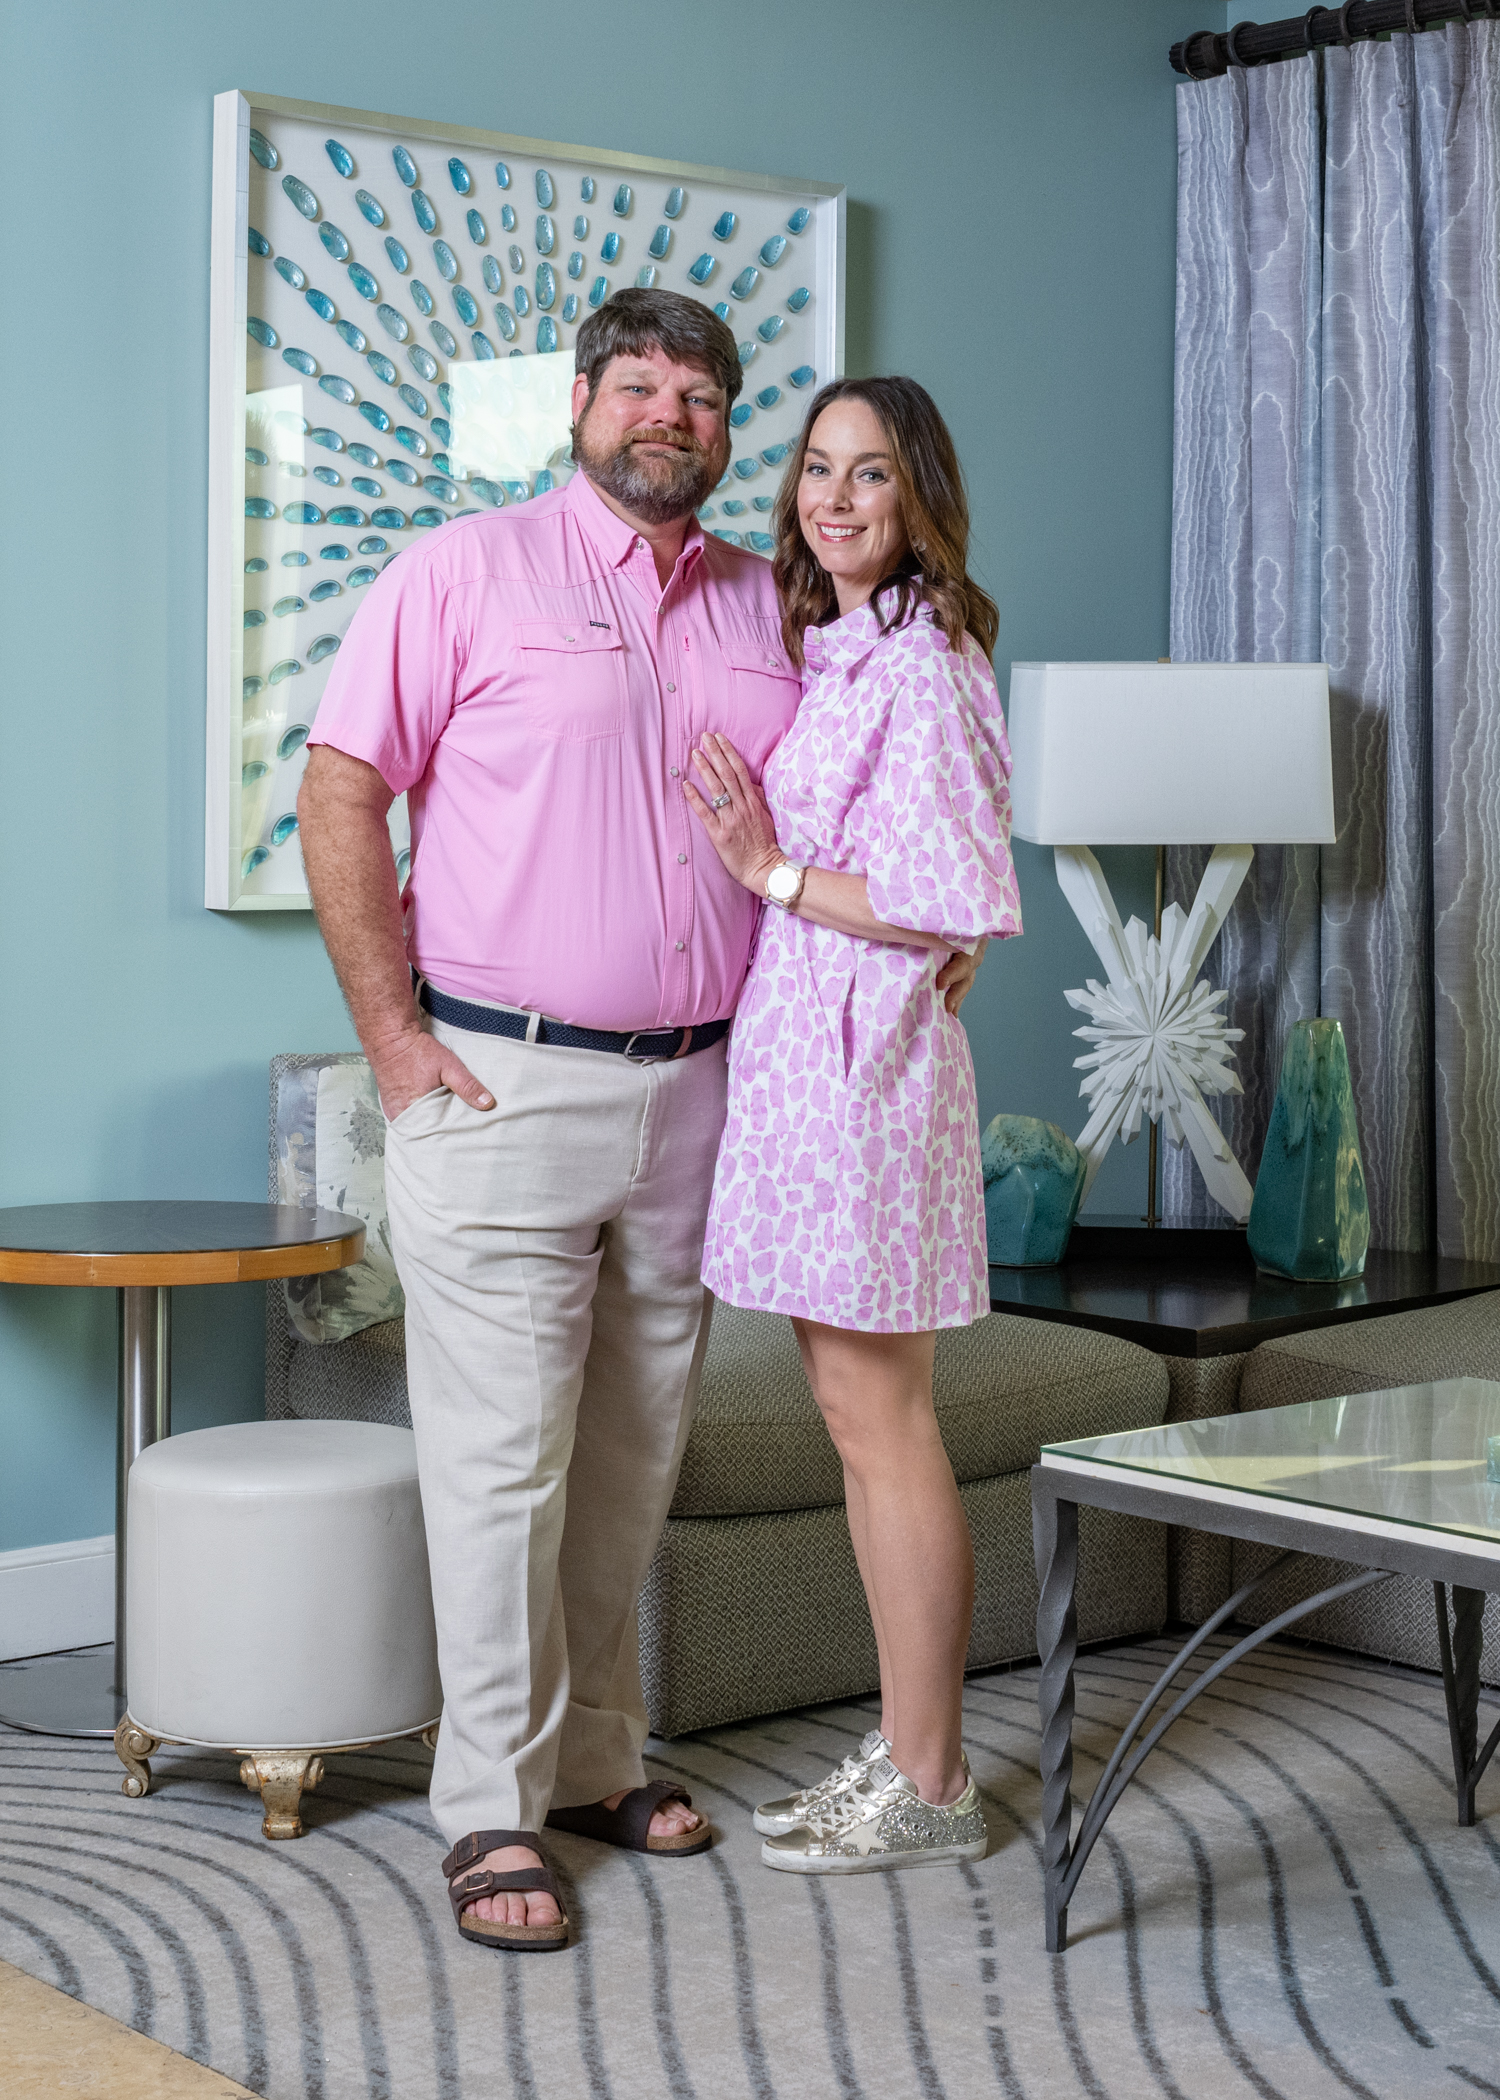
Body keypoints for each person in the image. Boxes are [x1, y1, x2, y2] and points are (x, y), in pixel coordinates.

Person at [296, 293, 983, 1951]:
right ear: (582, 405)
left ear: (728, 428)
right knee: (501, 1466)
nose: (666, 415)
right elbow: (340, 789)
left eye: (701, 396)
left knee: (628, 1459)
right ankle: (488, 1805)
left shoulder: (777, 607)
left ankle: (597, 1757)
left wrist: (946, 930)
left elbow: (897, 787)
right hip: (499, 1081)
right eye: (637, 387)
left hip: (710, 1093)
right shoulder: (461, 575)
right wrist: (392, 1041)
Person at [688, 375, 1022, 1874]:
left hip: (868, 1074)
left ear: (919, 495)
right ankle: (906, 1745)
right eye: (817, 469)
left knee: (885, 1427)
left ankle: (933, 1783)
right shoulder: (842, 651)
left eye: (869, 473)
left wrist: (764, 869)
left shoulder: (924, 664)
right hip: (813, 1066)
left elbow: (945, 895)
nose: (833, 498)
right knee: (853, 1419)